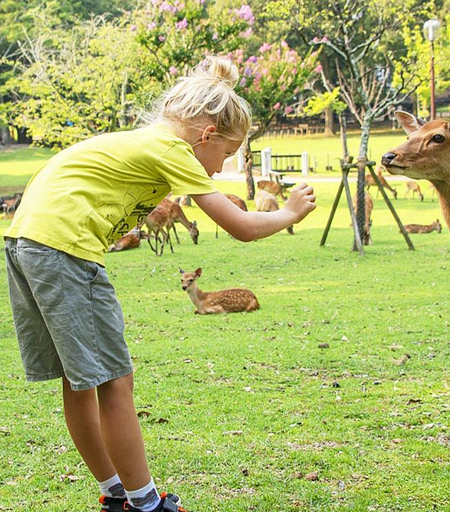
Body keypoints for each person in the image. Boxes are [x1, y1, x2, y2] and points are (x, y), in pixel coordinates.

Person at [3, 57, 316, 512]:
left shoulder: (144, 141)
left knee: (81, 380)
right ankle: (146, 504)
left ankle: (116, 494)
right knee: (115, 381)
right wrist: (289, 213)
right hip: (65, 249)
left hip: (25, 241)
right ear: (206, 135)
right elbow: (242, 227)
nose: (217, 169)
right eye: (225, 156)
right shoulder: (176, 149)